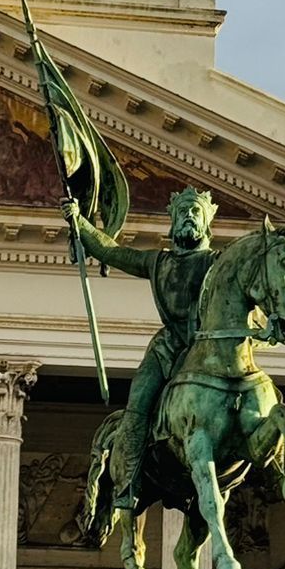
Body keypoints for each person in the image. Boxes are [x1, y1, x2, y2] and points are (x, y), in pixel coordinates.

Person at [70, 187, 218, 511]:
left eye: (196, 212)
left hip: (204, 351)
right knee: (137, 406)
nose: (189, 217)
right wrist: (79, 223)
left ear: (207, 223)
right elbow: (112, 252)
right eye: (184, 212)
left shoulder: (217, 263)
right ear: (173, 221)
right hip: (166, 350)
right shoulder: (157, 262)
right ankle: (128, 483)